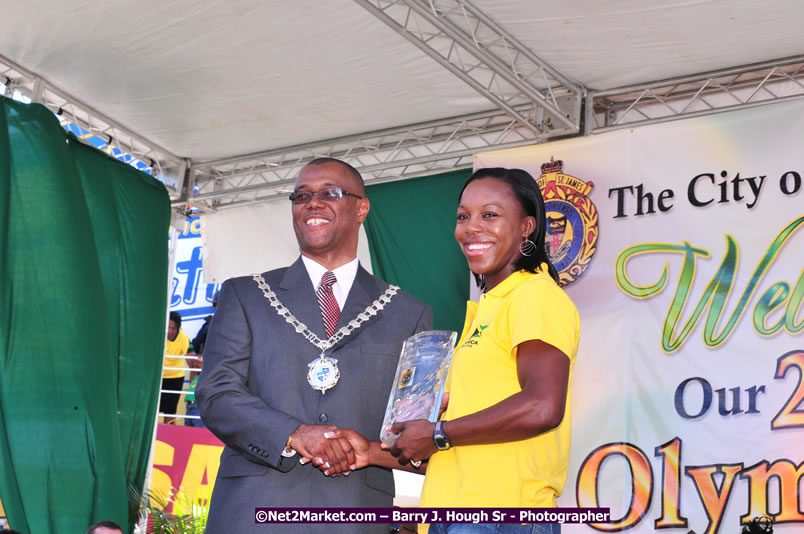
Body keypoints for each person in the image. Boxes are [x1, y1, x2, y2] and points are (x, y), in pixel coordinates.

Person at [336, 167, 580, 534]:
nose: (471, 227)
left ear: (527, 227)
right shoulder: (489, 308)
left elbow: (543, 406)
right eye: (463, 216)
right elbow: (459, 445)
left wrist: (438, 432)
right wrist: (370, 452)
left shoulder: (535, 296)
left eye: (490, 215)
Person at [195, 158, 432, 533]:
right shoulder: (246, 295)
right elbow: (216, 394)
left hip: (354, 515)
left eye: (329, 193)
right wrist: (293, 434)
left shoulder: (408, 313)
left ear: (361, 208)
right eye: (301, 195)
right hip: (254, 511)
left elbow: (413, 434)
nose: (313, 203)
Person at [161, 310, 192, 424]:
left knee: (170, 410)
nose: (170, 331)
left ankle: (168, 432)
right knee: (153, 408)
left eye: (173, 328)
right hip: (158, 377)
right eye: (168, 327)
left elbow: (191, 358)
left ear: (178, 328)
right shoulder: (159, 334)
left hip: (175, 377)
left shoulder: (184, 338)